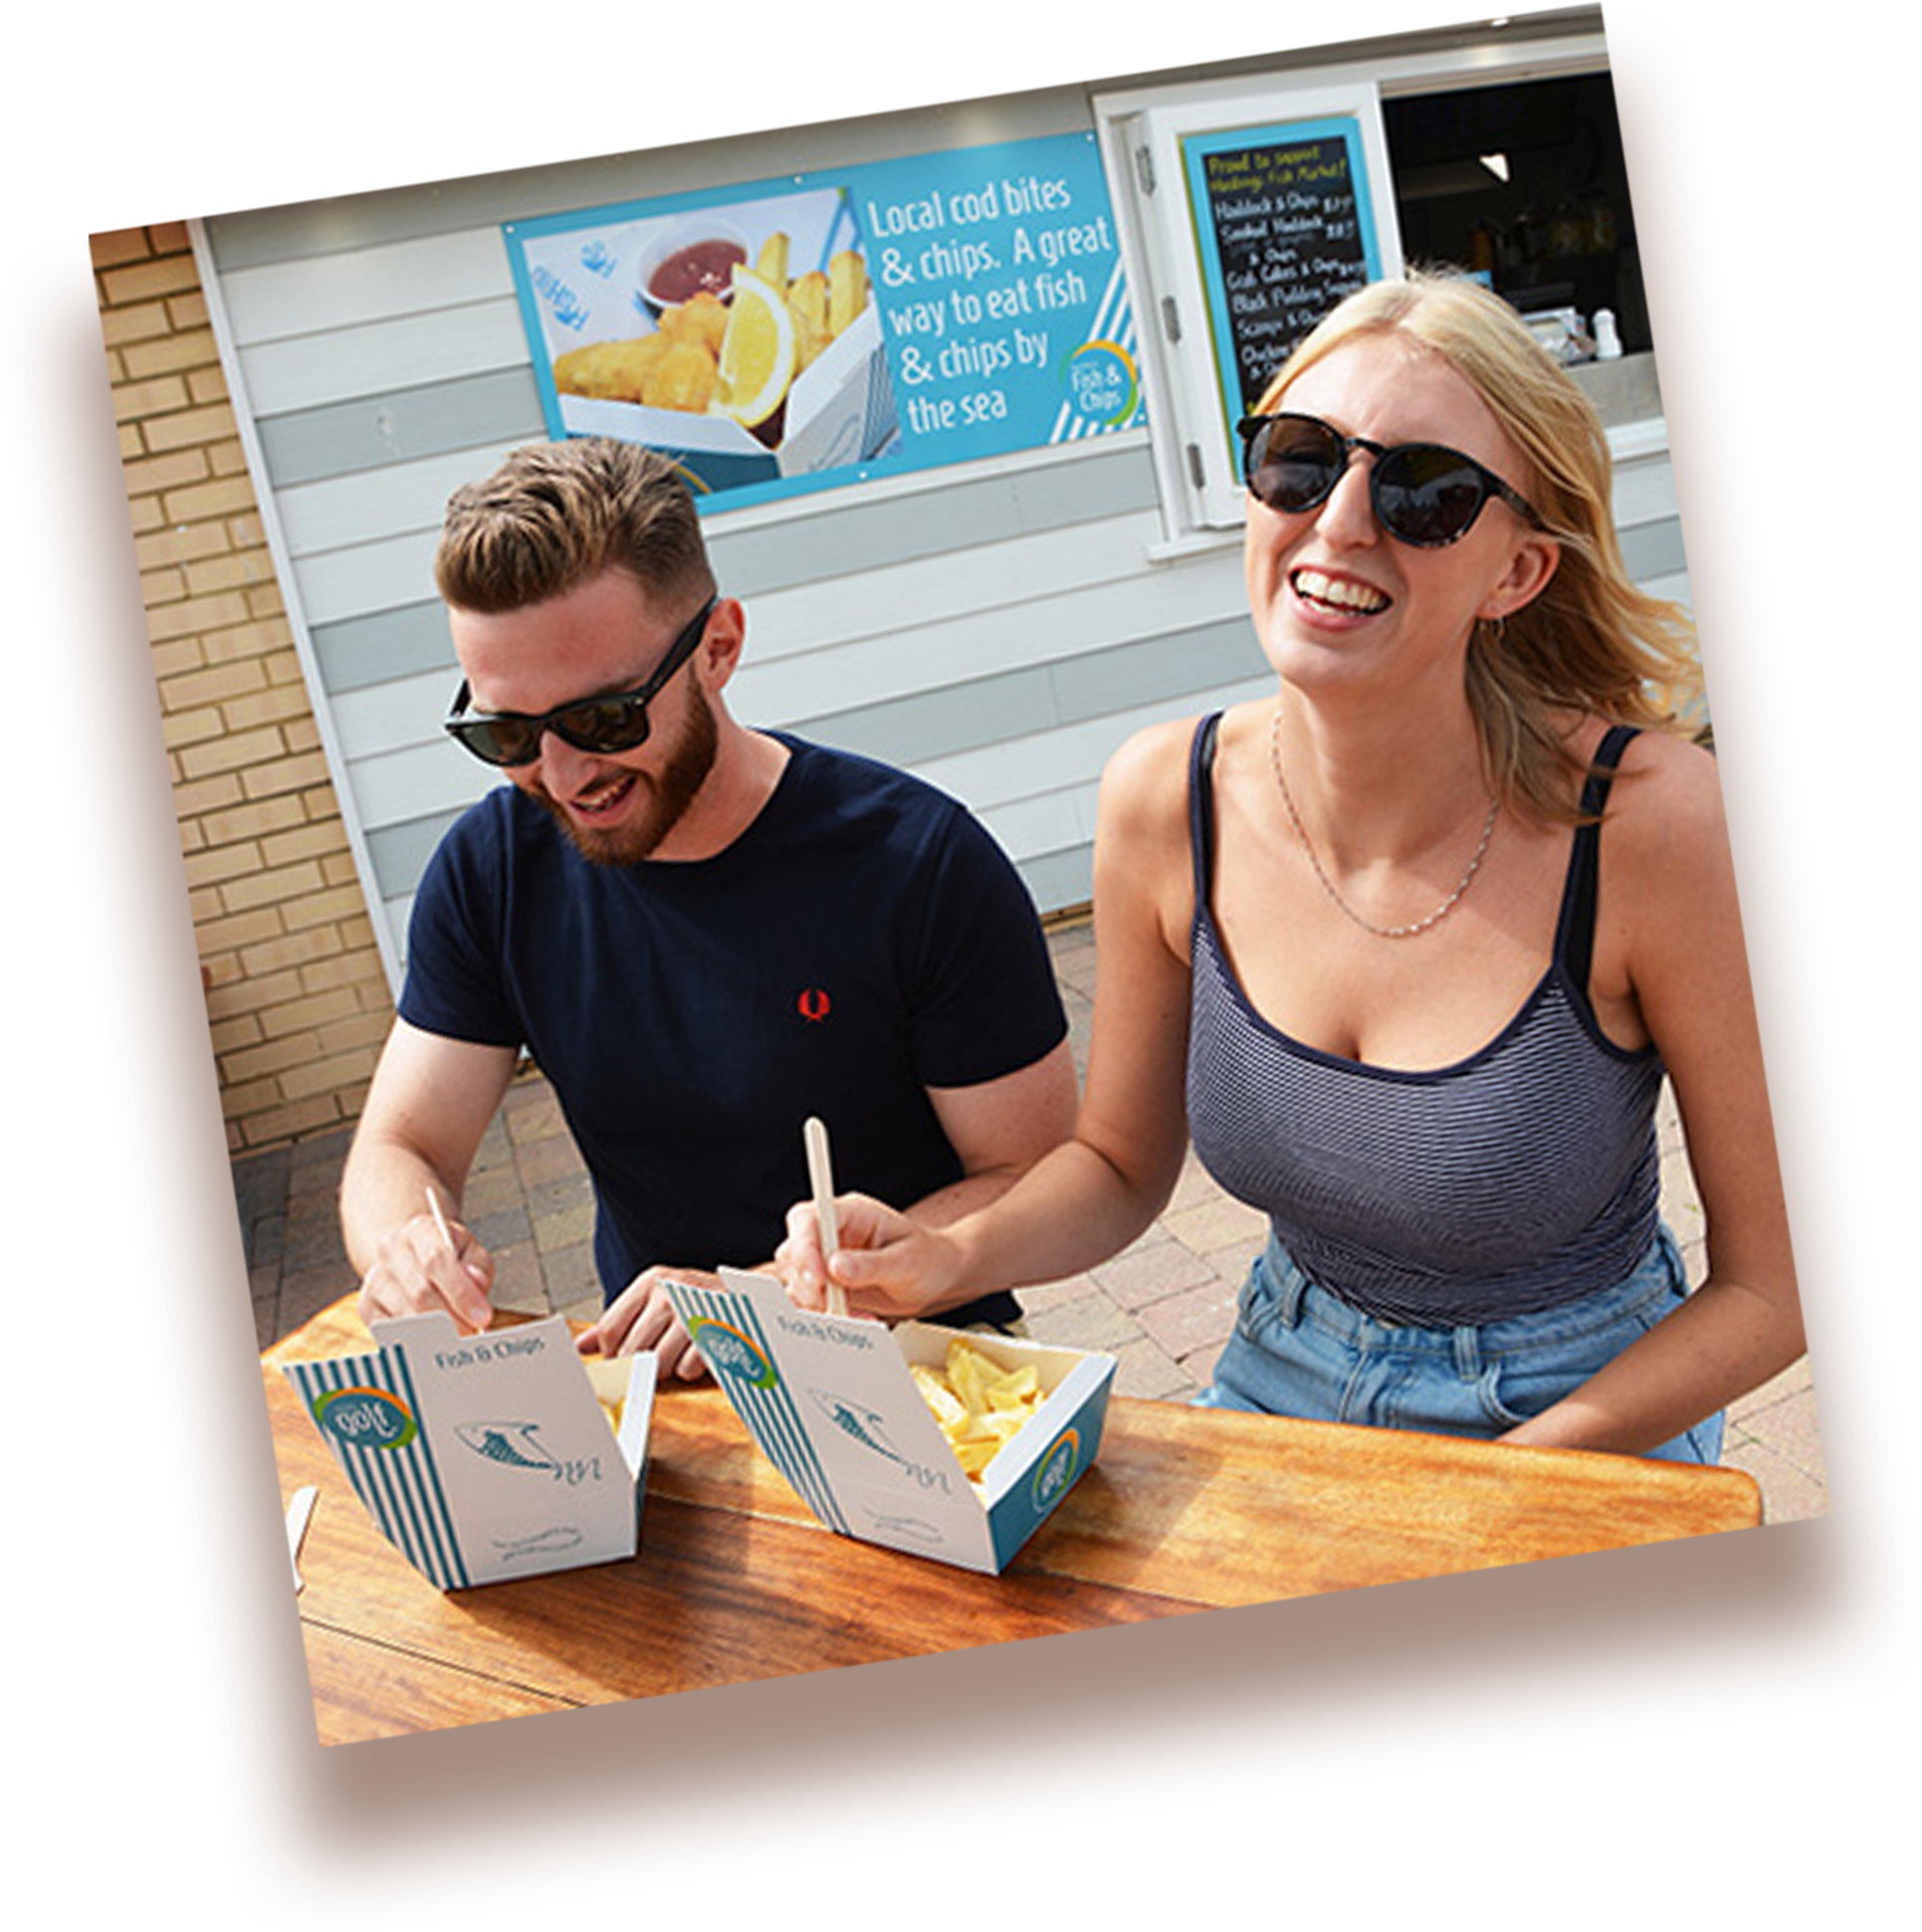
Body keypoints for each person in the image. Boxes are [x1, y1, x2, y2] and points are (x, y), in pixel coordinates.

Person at [777, 270, 1804, 1461]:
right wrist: (942, 1258)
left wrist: (1499, 1486)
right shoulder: (1165, 798)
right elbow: (1114, 1166)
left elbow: (1772, 1291)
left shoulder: (1649, 825)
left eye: (1425, 491)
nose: (1341, 521)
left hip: (1581, 1398)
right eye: (1301, 460)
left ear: (1517, 573)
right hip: (1284, 1366)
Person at [340, 437, 1077, 1379]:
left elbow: (1037, 1184)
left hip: (928, 1372)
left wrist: (772, 1295)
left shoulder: (915, 864)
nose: (561, 775)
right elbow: (401, 1143)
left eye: (604, 719)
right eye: (507, 732)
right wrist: (406, 1247)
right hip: (667, 1384)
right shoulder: (493, 869)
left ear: (718, 646)